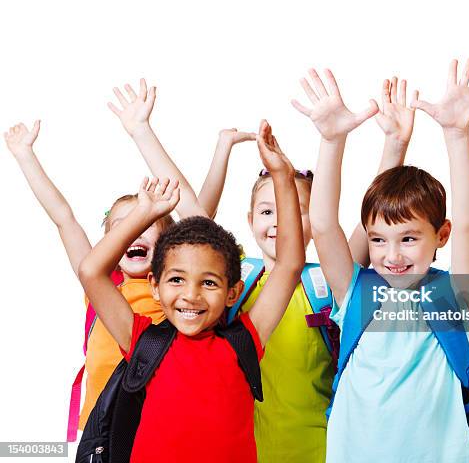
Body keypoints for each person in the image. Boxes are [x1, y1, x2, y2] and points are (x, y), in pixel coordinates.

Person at [294, 64, 469, 462]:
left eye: (408, 239)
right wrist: (332, 141)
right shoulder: (355, 289)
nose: (392, 255)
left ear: (441, 235)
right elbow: (322, 225)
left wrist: (457, 135)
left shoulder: (455, 292)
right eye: (378, 240)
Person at [77, 119, 305, 462]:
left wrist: (283, 178)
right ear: (155, 286)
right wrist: (143, 214)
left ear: (233, 292)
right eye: (176, 280)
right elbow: (91, 271)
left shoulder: (244, 339)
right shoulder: (143, 341)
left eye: (209, 282)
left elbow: (289, 264)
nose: (191, 295)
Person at [3, 119, 198, 431]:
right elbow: (64, 219)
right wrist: (26, 156)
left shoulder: (176, 287)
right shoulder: (102, 286)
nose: (133, 230)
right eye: (121, 226)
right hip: (101, 425)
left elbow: (197, 216)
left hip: (157, 421)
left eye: (145, 223)